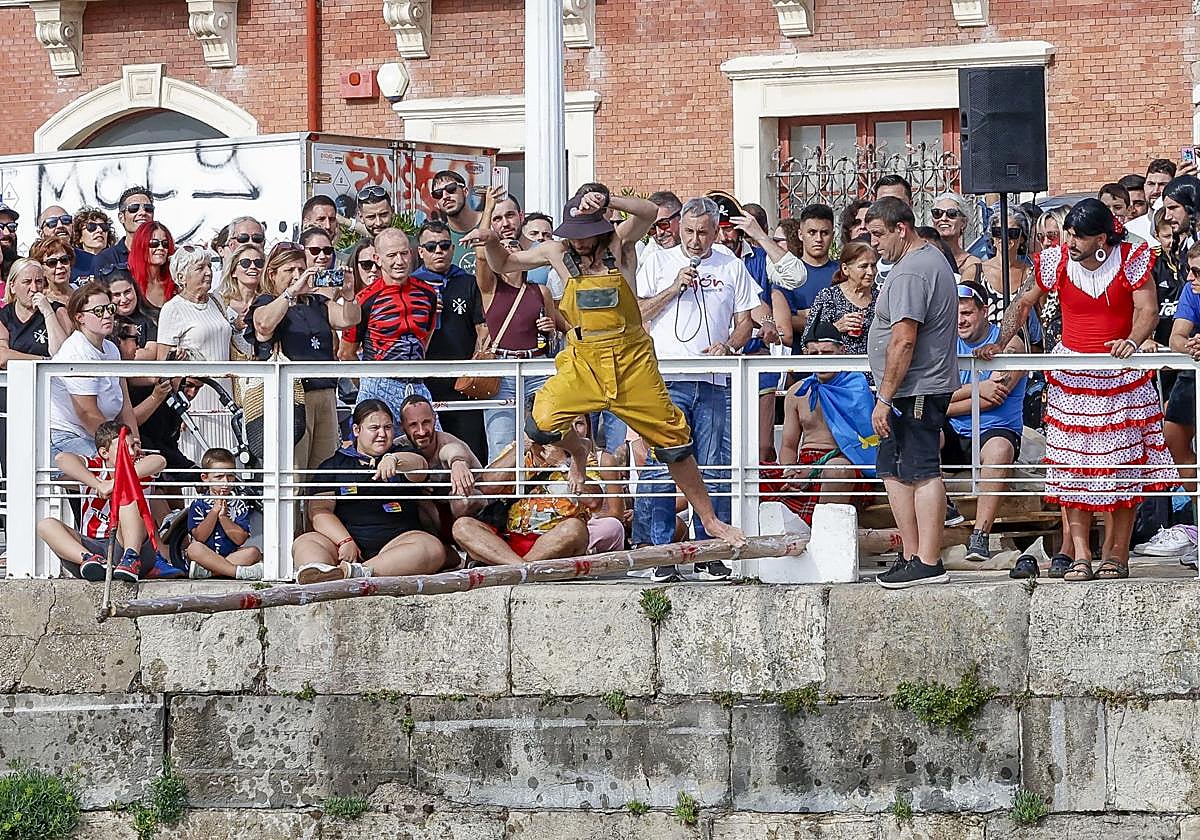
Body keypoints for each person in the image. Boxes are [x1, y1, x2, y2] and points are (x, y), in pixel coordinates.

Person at [463, 182, 745, 550]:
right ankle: (579, 450)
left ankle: (709, 518)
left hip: (632, 362)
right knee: (541, 423)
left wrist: (610, 201)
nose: (580, 243)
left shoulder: (619, 245)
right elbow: (504, 264)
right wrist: (489, 241)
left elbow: (648, 212)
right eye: (575, 235)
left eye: (587, 235)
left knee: (674, 443)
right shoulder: (555, 251)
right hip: (584, 361)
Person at [979, 198, 1177, 581]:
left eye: (1078, 235)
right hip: (1073, 380)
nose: (1070, 240)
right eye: (1068, 232)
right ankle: (1081, 556)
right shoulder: (1055, 262)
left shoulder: (1132, 259)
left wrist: (1133, 342)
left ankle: (1115, 555)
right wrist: (999, 344)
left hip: (1121, 380)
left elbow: (1147, 311)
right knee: (1073, 471)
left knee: (1121, 470)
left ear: (1101, 237)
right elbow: (1023, 304)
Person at [630, 195, 758, 577]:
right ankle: (662, 552)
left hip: (714, 381)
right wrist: (673, 289)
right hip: (667, 380)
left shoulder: (731, 264)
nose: (696, 240)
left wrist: (731, 345)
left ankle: (710, 551)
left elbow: (745, 321)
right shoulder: (657, 261)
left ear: (717, 231)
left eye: (704, 232)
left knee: (714, 466)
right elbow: (637, 312)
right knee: (660, 466)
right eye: (689, 231)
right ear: (677, 228)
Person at [866, 196, 959, 589]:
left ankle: (928, 558)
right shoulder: (926, 259)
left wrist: (884, 398)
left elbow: (904, 339)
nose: (874, 245)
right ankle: (911, 555)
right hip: (910, 386)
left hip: (914, 387)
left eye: (877, 235)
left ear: (900, 228)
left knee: (920, 471)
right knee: (894, 471)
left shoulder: (911, 271)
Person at [292, 400, 445, 583]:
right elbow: (318, 511)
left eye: (387, 427)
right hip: (344, 547)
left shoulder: (404, 455)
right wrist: (345, 541)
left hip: (397, 545)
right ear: (357, 430)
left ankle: (358, 572)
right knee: (305, 542)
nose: (382, 434)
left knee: (432, 548)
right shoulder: (334, 465)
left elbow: (420, 466)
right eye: (374, 428)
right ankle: (321, 572)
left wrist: (393, 459)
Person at [250, 240, 359, 473]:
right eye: (290, 270)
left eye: (301, 269)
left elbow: (349, 319)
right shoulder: (267, 301)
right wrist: (291, 292)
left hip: (326, 393)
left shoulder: (316, 301)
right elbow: (263, 326)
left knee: (324, 474)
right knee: (294, 474)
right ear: (272, 273)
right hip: (292, 396)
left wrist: (349, 296)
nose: (297, 275)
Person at [945, 281, 1027, 566]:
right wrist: (977, 389)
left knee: (999, 450)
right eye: (955, 313)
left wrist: (945, 404)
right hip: (954, 431)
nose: (960, 320)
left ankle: (980, 535)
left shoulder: (1009, 343)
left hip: (994, 431)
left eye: (967, 313)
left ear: (984, 311)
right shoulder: (944, 342)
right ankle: (941, 508)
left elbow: (996, 398)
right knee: (921, 430)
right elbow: (933, 396)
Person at [37, 421, 180, 581]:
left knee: (127, 495)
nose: (132, 453)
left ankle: (131, 558)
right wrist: (98, 484)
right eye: (126, 448)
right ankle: (88, 560)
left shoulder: (139, 469)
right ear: (104, 453)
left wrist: (114, 483)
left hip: (127, 545)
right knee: (46, 525)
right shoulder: (94, 468)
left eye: (133, 446)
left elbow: (159, 461)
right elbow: (62, 458)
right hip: (93, 546)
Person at [475, 189, 558, 461]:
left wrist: (550, 327)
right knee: (502, 444)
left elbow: (561, 329)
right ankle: (504, 502)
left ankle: (542, 499)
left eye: (515, 249)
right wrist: (487, 210)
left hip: (538, 366)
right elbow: (480, 253)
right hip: (502, 369)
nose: (509, 253)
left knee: (546, 439)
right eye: (503, 251)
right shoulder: (490, 289)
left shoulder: (540, 291)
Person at [770, 322, 875, 525]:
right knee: (757, 477)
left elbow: (865, 441)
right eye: (814, 354)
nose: (822, 359)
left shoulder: (857, 388)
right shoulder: (797, 392)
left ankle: (826, 535)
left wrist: (817, 469)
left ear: (842, 351)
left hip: (845, 460)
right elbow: (789, 446)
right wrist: (790, 472)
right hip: (805, 463)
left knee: (837, 471)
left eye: (827, 352)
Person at [411, 220, 489, 461]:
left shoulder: (467, 281)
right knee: (425, 447)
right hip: (423, 380)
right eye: (432, 246)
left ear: (453, 249)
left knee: (470, 445)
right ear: (420, 251)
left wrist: (476, 367)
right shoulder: (411, 284)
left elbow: (482, 329)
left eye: (445, 245)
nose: (439, 251)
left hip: (462, 381)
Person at [343, 228, 439, 421]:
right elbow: (346, 353)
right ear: (378, 259)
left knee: (433, 446)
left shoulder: (428, 293)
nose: (399, 261)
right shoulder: (364, 299)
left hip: (417, 385)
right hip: (378, 384)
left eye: (404, 254)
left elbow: (424, 339)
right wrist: (367, 383)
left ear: (411, 254)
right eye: (392, 255)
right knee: (376, 448)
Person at [451, 437, 592, 565]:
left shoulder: (580, 454)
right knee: (462, 526)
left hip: (555, 539)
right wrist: (519, 449)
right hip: (507, 542)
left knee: (574, 528)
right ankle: (522, 568)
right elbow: (487, 487)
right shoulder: (514, 451)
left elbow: (595, 502)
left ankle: (511, 568)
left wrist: (563, 465)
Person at [157, 244, 235, 460]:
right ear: (181, 276)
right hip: (194, 404)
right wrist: (175, 412)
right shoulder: (173, 309)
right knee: (201, 462)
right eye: (200, 268)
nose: (208, 272)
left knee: (230, 463)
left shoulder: (217, 301)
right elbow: (162, 363)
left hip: (225, 397)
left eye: (209, 266)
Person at [49, 281, 139, 461]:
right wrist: (118, 446)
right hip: (67, 436)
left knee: (145, 466)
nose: (107, 315)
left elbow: (126, 405)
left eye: (110, 309)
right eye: (99, 311)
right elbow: (86, 412)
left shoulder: (112, 348)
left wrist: (134, 442)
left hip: (100, 435)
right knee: (116, 468)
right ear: (79, 317)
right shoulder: (76, 352)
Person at [0, 258, 70, 478]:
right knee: (12, 465)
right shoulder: (4, 316)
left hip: (52, 404)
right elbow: (2, 356)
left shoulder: (58, 311)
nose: (34, 288)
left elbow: (61, 352)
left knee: (51, 466)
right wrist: (42, 361)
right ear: (13, 285)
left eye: (39, 282)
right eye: (27, 282)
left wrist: (48, 312)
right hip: (12, 402)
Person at [184, 447, 263, 580]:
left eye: (230, 476)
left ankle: (211, 572)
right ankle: (237, 572)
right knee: (194, 548)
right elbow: (200, 537)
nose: (226, 482)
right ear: (205, 477)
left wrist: (223, 517)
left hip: (231, 556)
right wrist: (214, 512)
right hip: (205, 556)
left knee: (253, 552)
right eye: (219, 477)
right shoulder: (199, 504)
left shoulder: (239, 504)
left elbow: (240, 539)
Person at [799, 241, 878, 355]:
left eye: (873, 266)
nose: (870, 272)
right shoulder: (829, 297)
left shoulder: (880, 298)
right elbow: (807, 341)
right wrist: (835, 328)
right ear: (845, 269)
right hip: (839, 369)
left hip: (873, 368)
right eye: (863, 266)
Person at [776, 204, 838, 342]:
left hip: (838, 357)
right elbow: (785, 320)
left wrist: (806, 314)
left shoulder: (844, 272)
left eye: (824, 233)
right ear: (800, 234)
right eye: (812, 232)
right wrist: (832, 325)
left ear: (833, 235)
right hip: (799, 359)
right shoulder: (787, 274)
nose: (818, 239)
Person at [216, 243, 264, 356]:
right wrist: (235, 326)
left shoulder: (270, 302)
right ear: (233, 272)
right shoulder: (219, 303)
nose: (253, 267)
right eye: (245, 263)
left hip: (264, 369)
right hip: (229, 369)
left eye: (259, 263)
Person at [430, 171, 482, 269]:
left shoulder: (493, 222)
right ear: (436, 203)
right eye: (438, 194)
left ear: (465, 191)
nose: (445, 196)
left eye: (451, 189)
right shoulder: (441, 238)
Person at [96, 187, 156, 272]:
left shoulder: (165, 254)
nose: (143, 213)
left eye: (148, 208)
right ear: (121, 217)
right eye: (134, 208)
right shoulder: (106, 258)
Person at [931, 192, 981, 276]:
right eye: (937, 213)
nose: (943, 218)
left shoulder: (973, 264)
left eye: (951, 213)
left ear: (963, 222)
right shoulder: (925, 257)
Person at [128, 221, 176, 307]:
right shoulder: (127, 282)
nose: (161, 248)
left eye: (165, 244)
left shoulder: (174, 284)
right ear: (141, 245)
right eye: (154, 243)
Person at [70, 207, 115, 281]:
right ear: (79, 237)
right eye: (91, 226)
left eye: (104, 227)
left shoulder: (117, 261)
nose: (100, 230)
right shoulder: (70, 263)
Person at [29, 237, 75, 305]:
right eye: (52, 263)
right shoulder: (40, 300)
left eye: (64, 260)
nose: (60, 266)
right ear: (41, 269)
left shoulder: (82, 293)